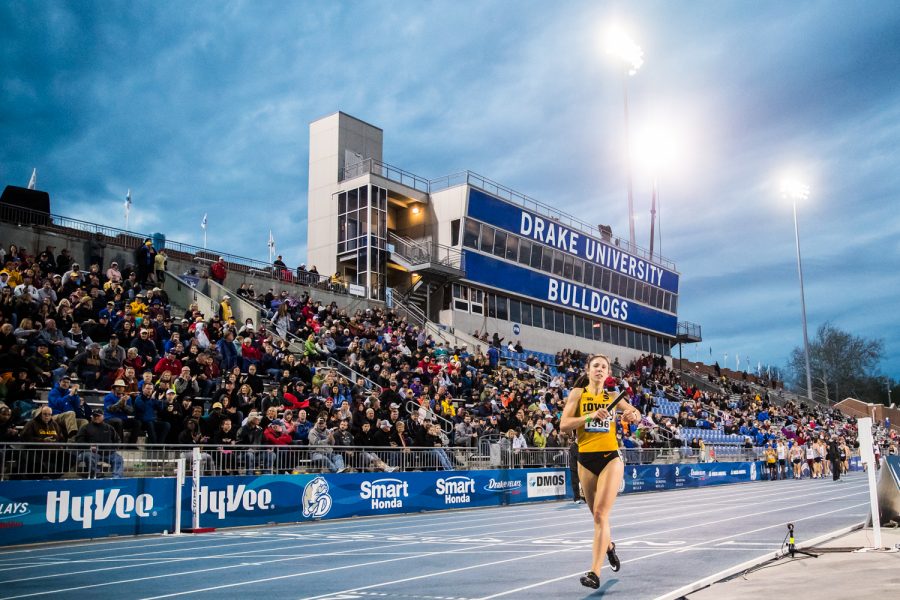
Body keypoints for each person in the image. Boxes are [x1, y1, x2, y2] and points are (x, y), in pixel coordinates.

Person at [560, 354, 641, 589]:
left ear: (607, 373)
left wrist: (631, 415)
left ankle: (594, 573)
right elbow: (564, 424)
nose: (599, 369)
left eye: (604, 367)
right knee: (597, 519)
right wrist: (589, 416)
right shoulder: (578, 394)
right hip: (585, 459)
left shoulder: (613, 396)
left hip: (610, 458)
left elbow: (636, 414)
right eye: (596, 365)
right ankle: (610, 547)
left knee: (600, 515)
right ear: (587, 370)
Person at [74, 409, 124, 478]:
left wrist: (112, 449)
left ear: (103, 416)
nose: (96, 417)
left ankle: (117, 478)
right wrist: (89, 447)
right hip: (90, 452)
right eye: (94, 416)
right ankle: (96, 475)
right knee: (89, 456)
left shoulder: (109, 428)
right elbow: (79, 441)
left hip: (107, 453)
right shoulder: (85, 427)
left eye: (98, 416)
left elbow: (117, 440)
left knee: (118, 459)